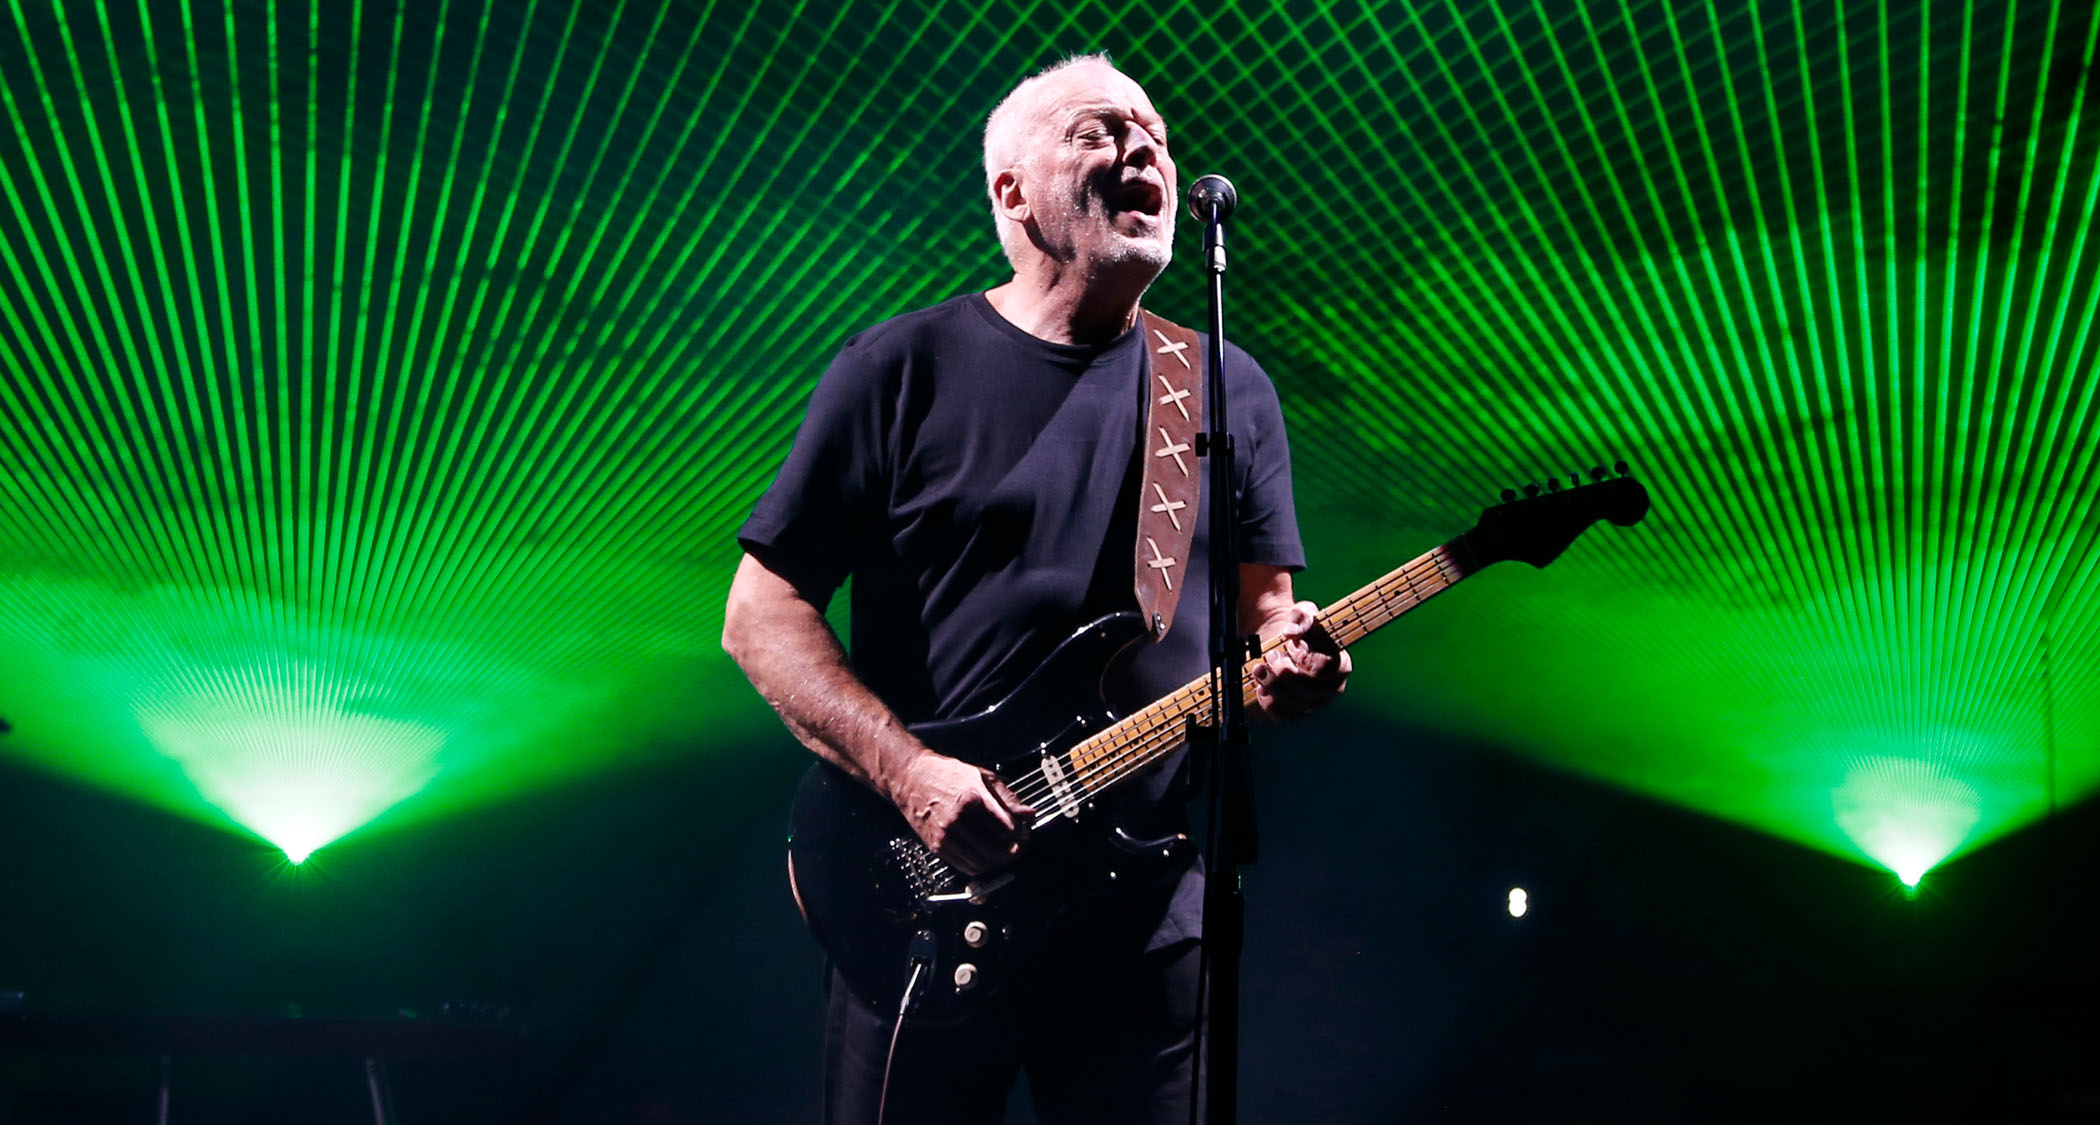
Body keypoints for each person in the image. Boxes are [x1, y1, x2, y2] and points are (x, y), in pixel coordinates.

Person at [722, 53, 1350, 1124]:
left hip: (1144, 908)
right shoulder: (897, 368)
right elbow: (760, 616)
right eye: (1101, 131)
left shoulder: (1223, 386)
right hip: (927, 886)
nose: (1145, 146)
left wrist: (1292, 656)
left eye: (1154, 131)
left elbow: (1264, 614)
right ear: (1011, 192)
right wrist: (913, 774)